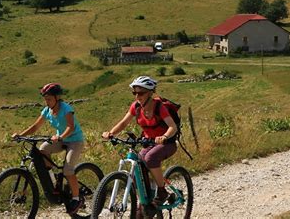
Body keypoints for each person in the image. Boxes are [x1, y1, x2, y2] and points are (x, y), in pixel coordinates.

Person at [102, 76, 178, 206]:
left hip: (166, 143)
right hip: (148, 142)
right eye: (135, 92)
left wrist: (164, 136)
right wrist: (111, 133)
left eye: (141, 93)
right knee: (138, 162)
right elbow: (124, 122)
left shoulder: (159, 107)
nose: (137, 96)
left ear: (150, 92)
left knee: (150, 158)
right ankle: (145, 201)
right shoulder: (136, 106)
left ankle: (162, 191)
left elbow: (173, 127)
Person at [12, 83, 85, 215]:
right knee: (43, 149)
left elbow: (71, 127)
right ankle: (55, 178)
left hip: (74, 140)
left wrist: (60, 137)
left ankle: (76, 198)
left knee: (68, 169)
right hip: (60, 139)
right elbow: (35, 126)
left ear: (57, 98)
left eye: (49, 99)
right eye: (45, 99)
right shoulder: (47, 111)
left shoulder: (66, 109)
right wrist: (20, 135)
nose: (47, 101)